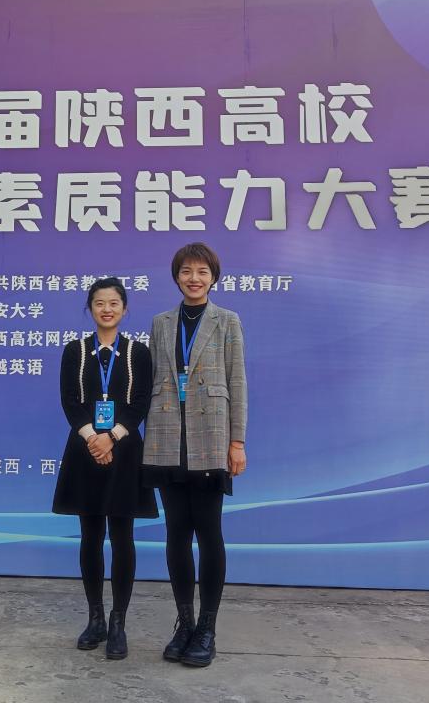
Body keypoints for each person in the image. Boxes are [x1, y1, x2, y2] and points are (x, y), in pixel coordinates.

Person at [143, 242, 247, 668]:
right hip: (167, 435)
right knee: (176, 534)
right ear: (176, 277)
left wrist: (237, 442)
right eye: (186, 271)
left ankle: (207, 628)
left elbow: (237, 381)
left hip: (211, 437)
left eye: (202, 271)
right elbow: (152, 377)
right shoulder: (161, 322)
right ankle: (184, 624)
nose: (194, 278)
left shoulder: (227, 320)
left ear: (213, 277)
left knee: (209, 533)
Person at [52, 277, 157, 660]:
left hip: (125, 450)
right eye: (99, 303)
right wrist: (92, 439)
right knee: (91, 536)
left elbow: (140, 402)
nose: (107, 309)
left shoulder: (138, 353)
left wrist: (111, 437)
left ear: (124, 309)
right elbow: (69, 400)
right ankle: (95, 618)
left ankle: (118, 623)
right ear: (90, 308)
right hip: (84, 451)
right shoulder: (75, 350)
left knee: (122, 537)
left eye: (114, 303)